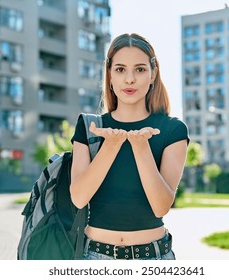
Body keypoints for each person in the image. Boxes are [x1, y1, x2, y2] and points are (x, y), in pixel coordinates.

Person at [70, 33, 189, 260]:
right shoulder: (91, 127)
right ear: (110, 75)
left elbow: (161, 207)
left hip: (153, 259)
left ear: (153, 74)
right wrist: (111, 146)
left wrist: (140, 147)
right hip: (95, 257)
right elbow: (79, 197)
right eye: (120, 69)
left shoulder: (173, 130)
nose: (130, 79)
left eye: (140, 69)